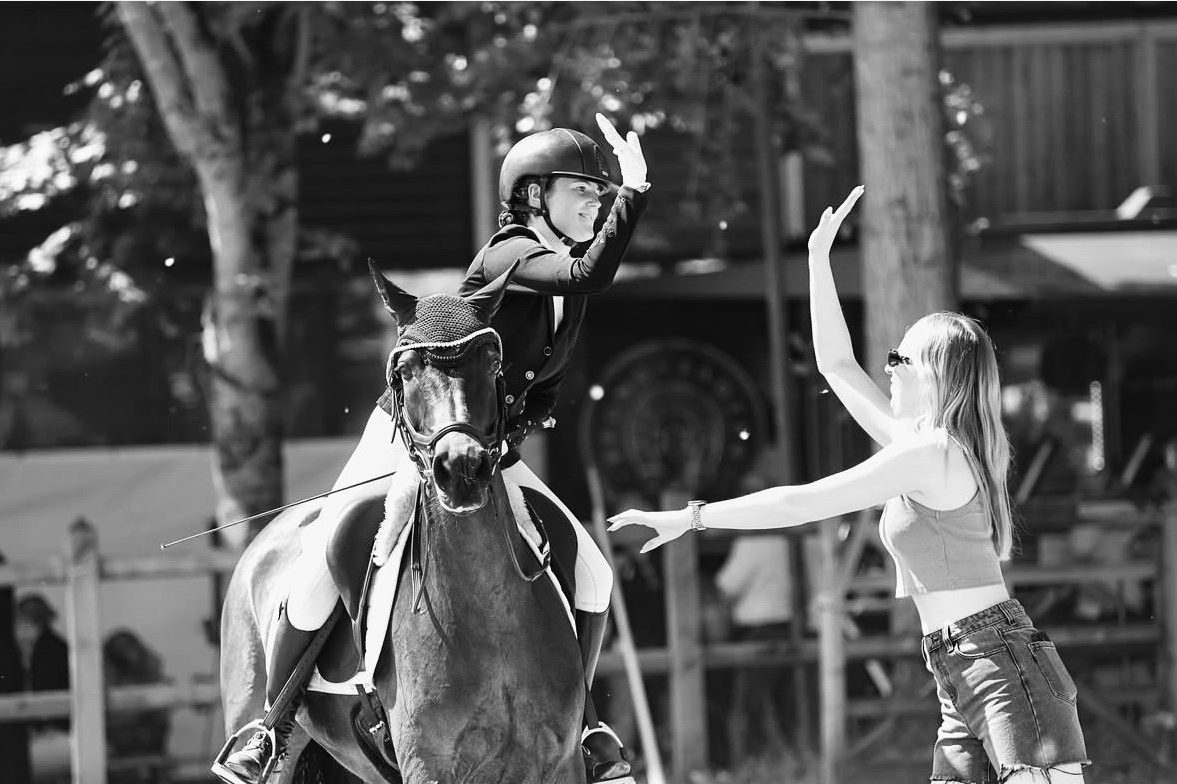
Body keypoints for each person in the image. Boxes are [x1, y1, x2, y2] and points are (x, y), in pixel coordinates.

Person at [218, 113, 649, 784]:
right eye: (583, 190)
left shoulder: (562, 285)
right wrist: (634, 192)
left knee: (592, 571)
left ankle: (582, 722)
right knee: (327, 553)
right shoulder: (511, 254)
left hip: (486, 450)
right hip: (409, 438)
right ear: (533, 195)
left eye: (601, 193)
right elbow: (589, 274)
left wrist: (523, 422)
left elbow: (539, 381)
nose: (595, 202)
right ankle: (268, 727)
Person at [609, 186, 1089, 784]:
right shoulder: (923, 448)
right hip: (961, 666)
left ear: (934, 376)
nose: (887, 368)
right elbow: (836, 364)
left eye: (899, 359)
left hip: (998, 665)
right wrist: (818, 260)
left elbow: (803, 501)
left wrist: (693, 517)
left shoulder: (931, 454)